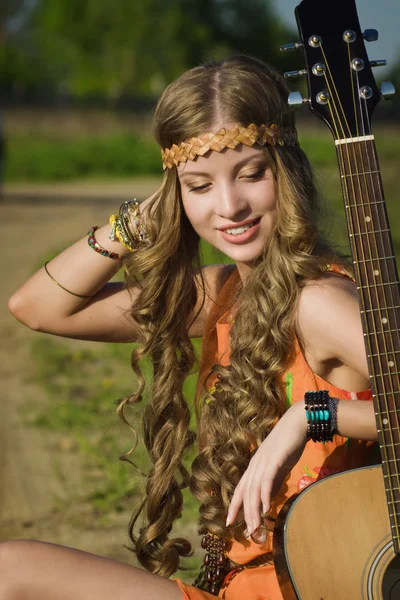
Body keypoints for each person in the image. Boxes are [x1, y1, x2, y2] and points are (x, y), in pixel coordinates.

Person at [5, 55, 379, 600]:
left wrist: (311, 416)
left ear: (289, 170)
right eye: (200, 185)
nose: (229, 206)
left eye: (252, 174)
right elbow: (38, 307)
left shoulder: (320, 301)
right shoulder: (225, 292)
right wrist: (139, 220)